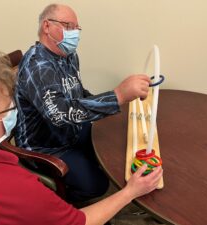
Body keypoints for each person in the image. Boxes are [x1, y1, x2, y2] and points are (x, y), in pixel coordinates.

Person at [0, 53, 162, 225]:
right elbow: (78, 221)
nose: (15, 109)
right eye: (8, 106)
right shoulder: (8, 187)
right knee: (95, 184)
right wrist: (131, 192)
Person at [15, 3, 151, 202]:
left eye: (76, 28)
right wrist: (118, 96)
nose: (74, 34)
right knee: (97, 185)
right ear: (46, 26)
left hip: (71, 131)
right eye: (68, 26)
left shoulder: (67, 56)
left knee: (114, 142)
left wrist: (113, 102)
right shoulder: (37, 66)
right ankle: (62, 205)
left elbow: (78, 93)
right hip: (45, 147)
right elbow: (60, 115)